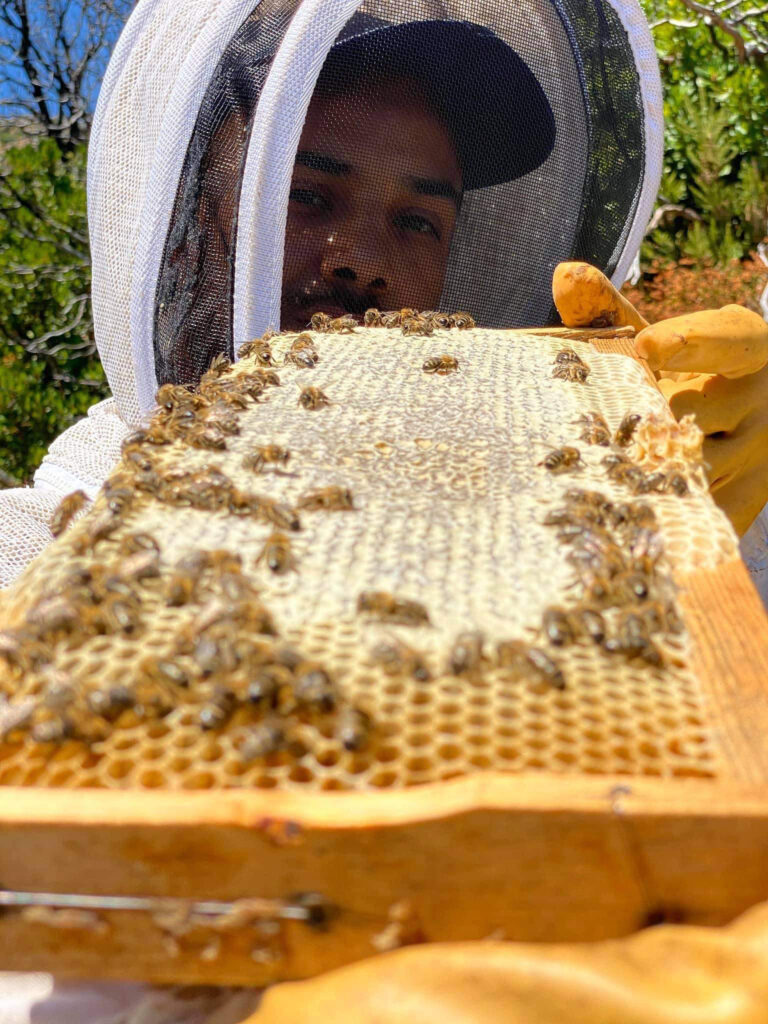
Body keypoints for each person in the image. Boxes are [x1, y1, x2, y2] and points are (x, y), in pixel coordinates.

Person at [0, 2, 767, 1021]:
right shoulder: (21, 558)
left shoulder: (603, 532)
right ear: (194, 214)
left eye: (417, 220)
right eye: (309, 192)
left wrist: (721, 525)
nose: (361, 257)